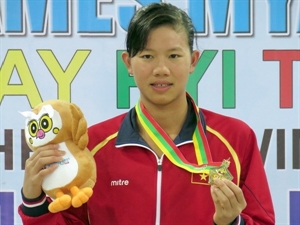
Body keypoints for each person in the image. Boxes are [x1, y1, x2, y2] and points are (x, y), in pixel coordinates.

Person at [18, 2, 275, 225]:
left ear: (194, 60)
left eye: (174, 55)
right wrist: (34, 201)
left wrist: (232, 221)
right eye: (147, 56)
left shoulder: (235, 137)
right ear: (128, 63)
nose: (161, 69)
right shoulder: (92, 145)